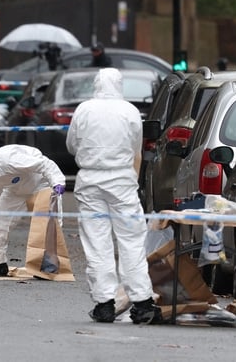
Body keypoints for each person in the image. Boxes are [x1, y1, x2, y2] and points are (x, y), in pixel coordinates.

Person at [66, 67, 161, 324]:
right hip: (121, 182)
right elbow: (135, 147)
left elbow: (72, 145)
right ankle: (142, 302)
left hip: (90, 182)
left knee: (97, 242)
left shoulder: (84, 109)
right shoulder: (129, 111)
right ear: (120, 85)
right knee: (131, 240)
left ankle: (104, 303)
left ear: (96, 84)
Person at [0, 143, 66, 276]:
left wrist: (57, 181)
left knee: (47, 223)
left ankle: (48, 264)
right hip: (15, 190)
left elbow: (44, 164)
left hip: (41, 183)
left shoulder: (11, 160)